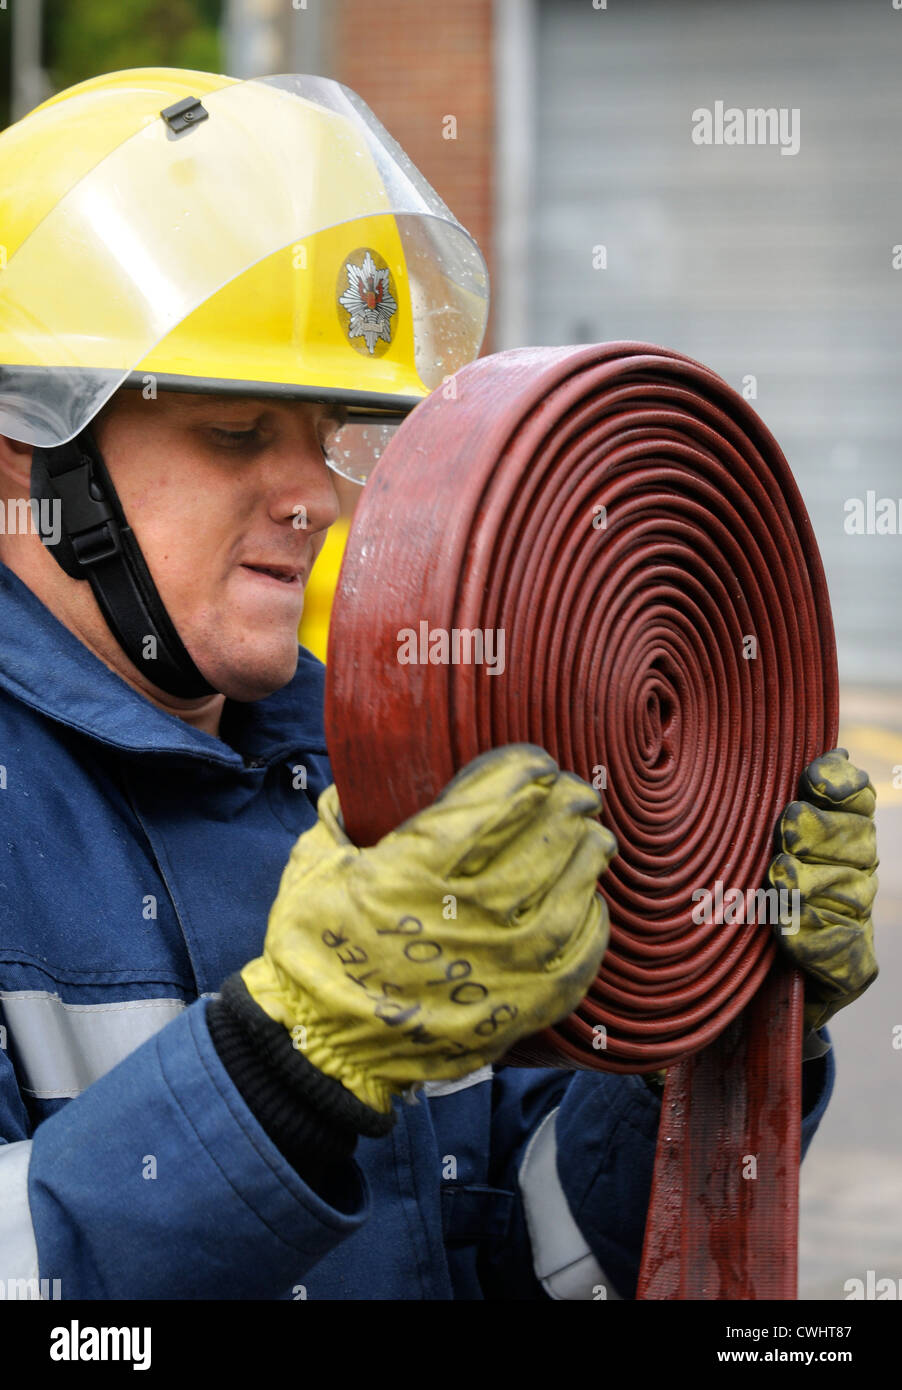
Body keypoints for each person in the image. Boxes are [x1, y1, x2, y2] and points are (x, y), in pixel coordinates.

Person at [0, 68, 877, 1301]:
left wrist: (720, 1029)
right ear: (34, 458)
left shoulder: (381, 776)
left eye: (328, 437)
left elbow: (550, 1251)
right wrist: (287, 1069)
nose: (315, 498)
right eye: (236, 432)